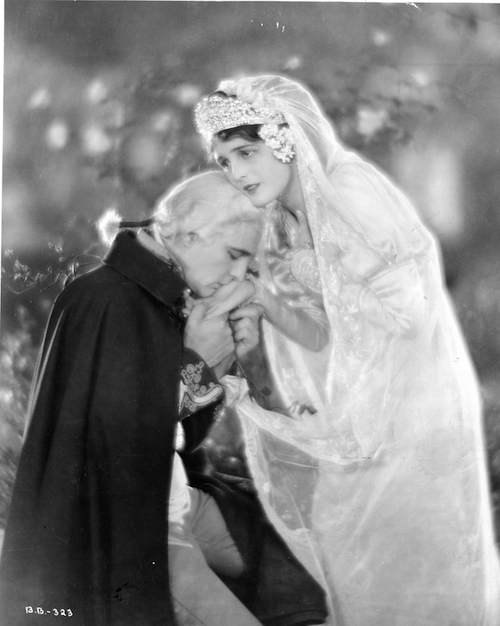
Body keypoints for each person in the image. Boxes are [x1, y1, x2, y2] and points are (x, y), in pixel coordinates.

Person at [193, 75, 500, 626]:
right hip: (359, 404)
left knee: (399, 553)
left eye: (246, 152)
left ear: (286, 139)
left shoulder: (350, 189)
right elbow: (321, 335)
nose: (236, 172)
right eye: (224, 161)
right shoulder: (284, 218)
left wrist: (325, 276)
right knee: (343, 538)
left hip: (409, 406)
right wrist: (266, 300)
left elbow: (408, 313)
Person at [0, 170, 328, 626]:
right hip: (132, 533)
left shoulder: (164, 295)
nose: (238, 275)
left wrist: (217, 363)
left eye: (248, 264)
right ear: (189, 235)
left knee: (309, 564)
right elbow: (115, 451)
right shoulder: (106, 299)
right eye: (234, 255)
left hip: (171, 503)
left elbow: (179, 437)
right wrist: (198, 363)